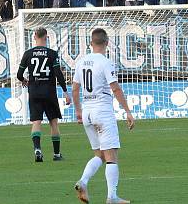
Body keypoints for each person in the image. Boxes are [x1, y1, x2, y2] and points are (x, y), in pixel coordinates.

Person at [72, 28, 135, 204]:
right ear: (107, 43)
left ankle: (83, 181)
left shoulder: (81, 62)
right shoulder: (106, 63)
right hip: (102, 112)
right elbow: (115, 88)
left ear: (91, 43)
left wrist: (78, 111)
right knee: (111, 156)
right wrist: (128, 112)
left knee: (99, 155)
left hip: (87, 113)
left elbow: (75, 89)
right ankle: (112, 197)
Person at [16, 27, 71, 162]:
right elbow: (58, 74)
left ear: (34, 36)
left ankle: (37, 149)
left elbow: (19, 75)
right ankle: (57, 154)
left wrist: (24, 81)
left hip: (34, 92)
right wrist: (65, 91)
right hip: (49, 92)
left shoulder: (28, 54)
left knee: (36, 122)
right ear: (46, 37)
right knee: (53, 122)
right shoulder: (52, 54)